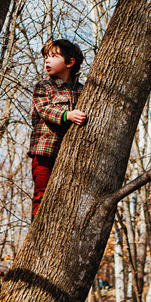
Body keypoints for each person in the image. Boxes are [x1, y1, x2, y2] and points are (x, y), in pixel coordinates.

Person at [28, 39, 87, 218]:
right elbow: (45, 109)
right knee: (42, 194)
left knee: (67, 197)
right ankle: (38, 230)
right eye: (46, 57)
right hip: (44, 153)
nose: (47, 60)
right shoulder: (43, 86)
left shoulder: (82, 90)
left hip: (70, 154)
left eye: (54, 56)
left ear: (70, 62)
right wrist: (67, 115)